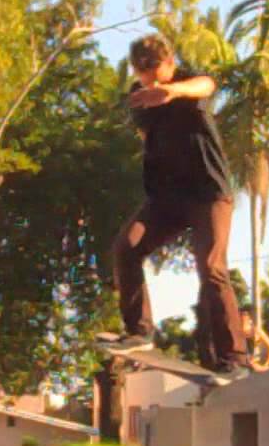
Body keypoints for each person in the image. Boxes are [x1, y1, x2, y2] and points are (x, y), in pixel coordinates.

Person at [103, 35, 250, 379]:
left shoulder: (187, 84)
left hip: (209, 194)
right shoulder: (139, 99)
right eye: (145, 77)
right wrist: (153, 95)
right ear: (136, 72)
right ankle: (140, 330)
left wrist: (174, 91)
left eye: (158, 75)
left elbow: (207, 84)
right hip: (166, 201)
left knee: (211, 266)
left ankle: (236, 358)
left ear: (170, 64)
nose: (152, 84)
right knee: (127, 248)